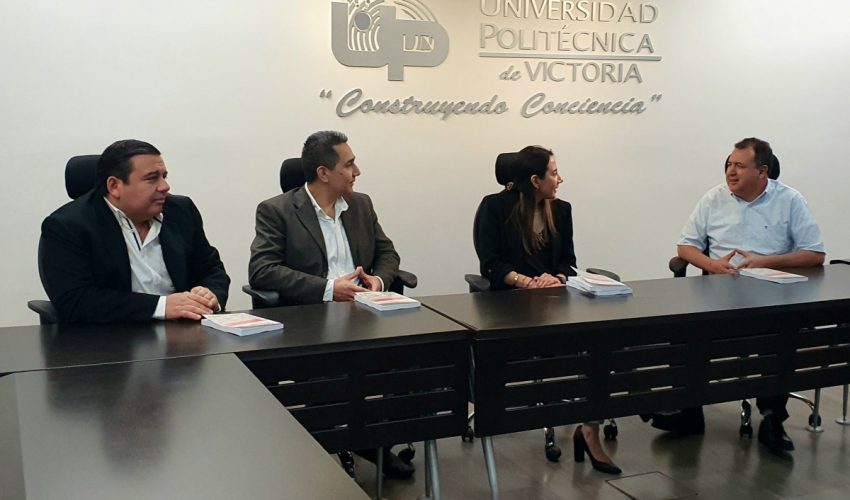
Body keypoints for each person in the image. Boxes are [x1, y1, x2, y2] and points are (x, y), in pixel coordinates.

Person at [248, 130, 412, 478]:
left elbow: (387, 252)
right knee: (332, 372)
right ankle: (338, 443)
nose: (357, 172)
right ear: (324, 173)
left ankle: (374, 436)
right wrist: (327, 289)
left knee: (414, 358)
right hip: (310, 320)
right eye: (349, 165)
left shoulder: (360, 204)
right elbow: (262, 270)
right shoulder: (277, 210)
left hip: (365, 314)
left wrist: (378, 280)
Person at [646, 137, 825, 454]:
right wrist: (711, 265)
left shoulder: (790, 200)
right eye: (729, 164)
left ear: (763, 171)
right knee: (686, 330)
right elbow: (685, 247)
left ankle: (772, 419)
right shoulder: (713, 199)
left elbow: (814, 254)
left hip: (771, 296)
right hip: (719, 293)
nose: (730, 171)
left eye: (740, 166)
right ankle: (689, 412)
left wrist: (766, 261)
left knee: (780, 335)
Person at [474, 145, 621, 475]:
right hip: (510, 307)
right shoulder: (495, 207)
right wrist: (525, 282)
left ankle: (590, 429)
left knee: (601, 342)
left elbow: (568, 262)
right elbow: (490, 264)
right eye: (554, 174)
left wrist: (557, 278)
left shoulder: (562, 210)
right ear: (535, 180)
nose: (560, 179)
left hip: (556, 303)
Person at [39, 140, 230, 324]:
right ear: (114, 186)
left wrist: (210, 294)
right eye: (152, 178)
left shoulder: (181, 210)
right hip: (112, 337)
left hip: (186, 331)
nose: (165, 186)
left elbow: (212, 270)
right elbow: (76, 301)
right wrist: (161, 307)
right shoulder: (67, 226)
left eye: (164, 176)